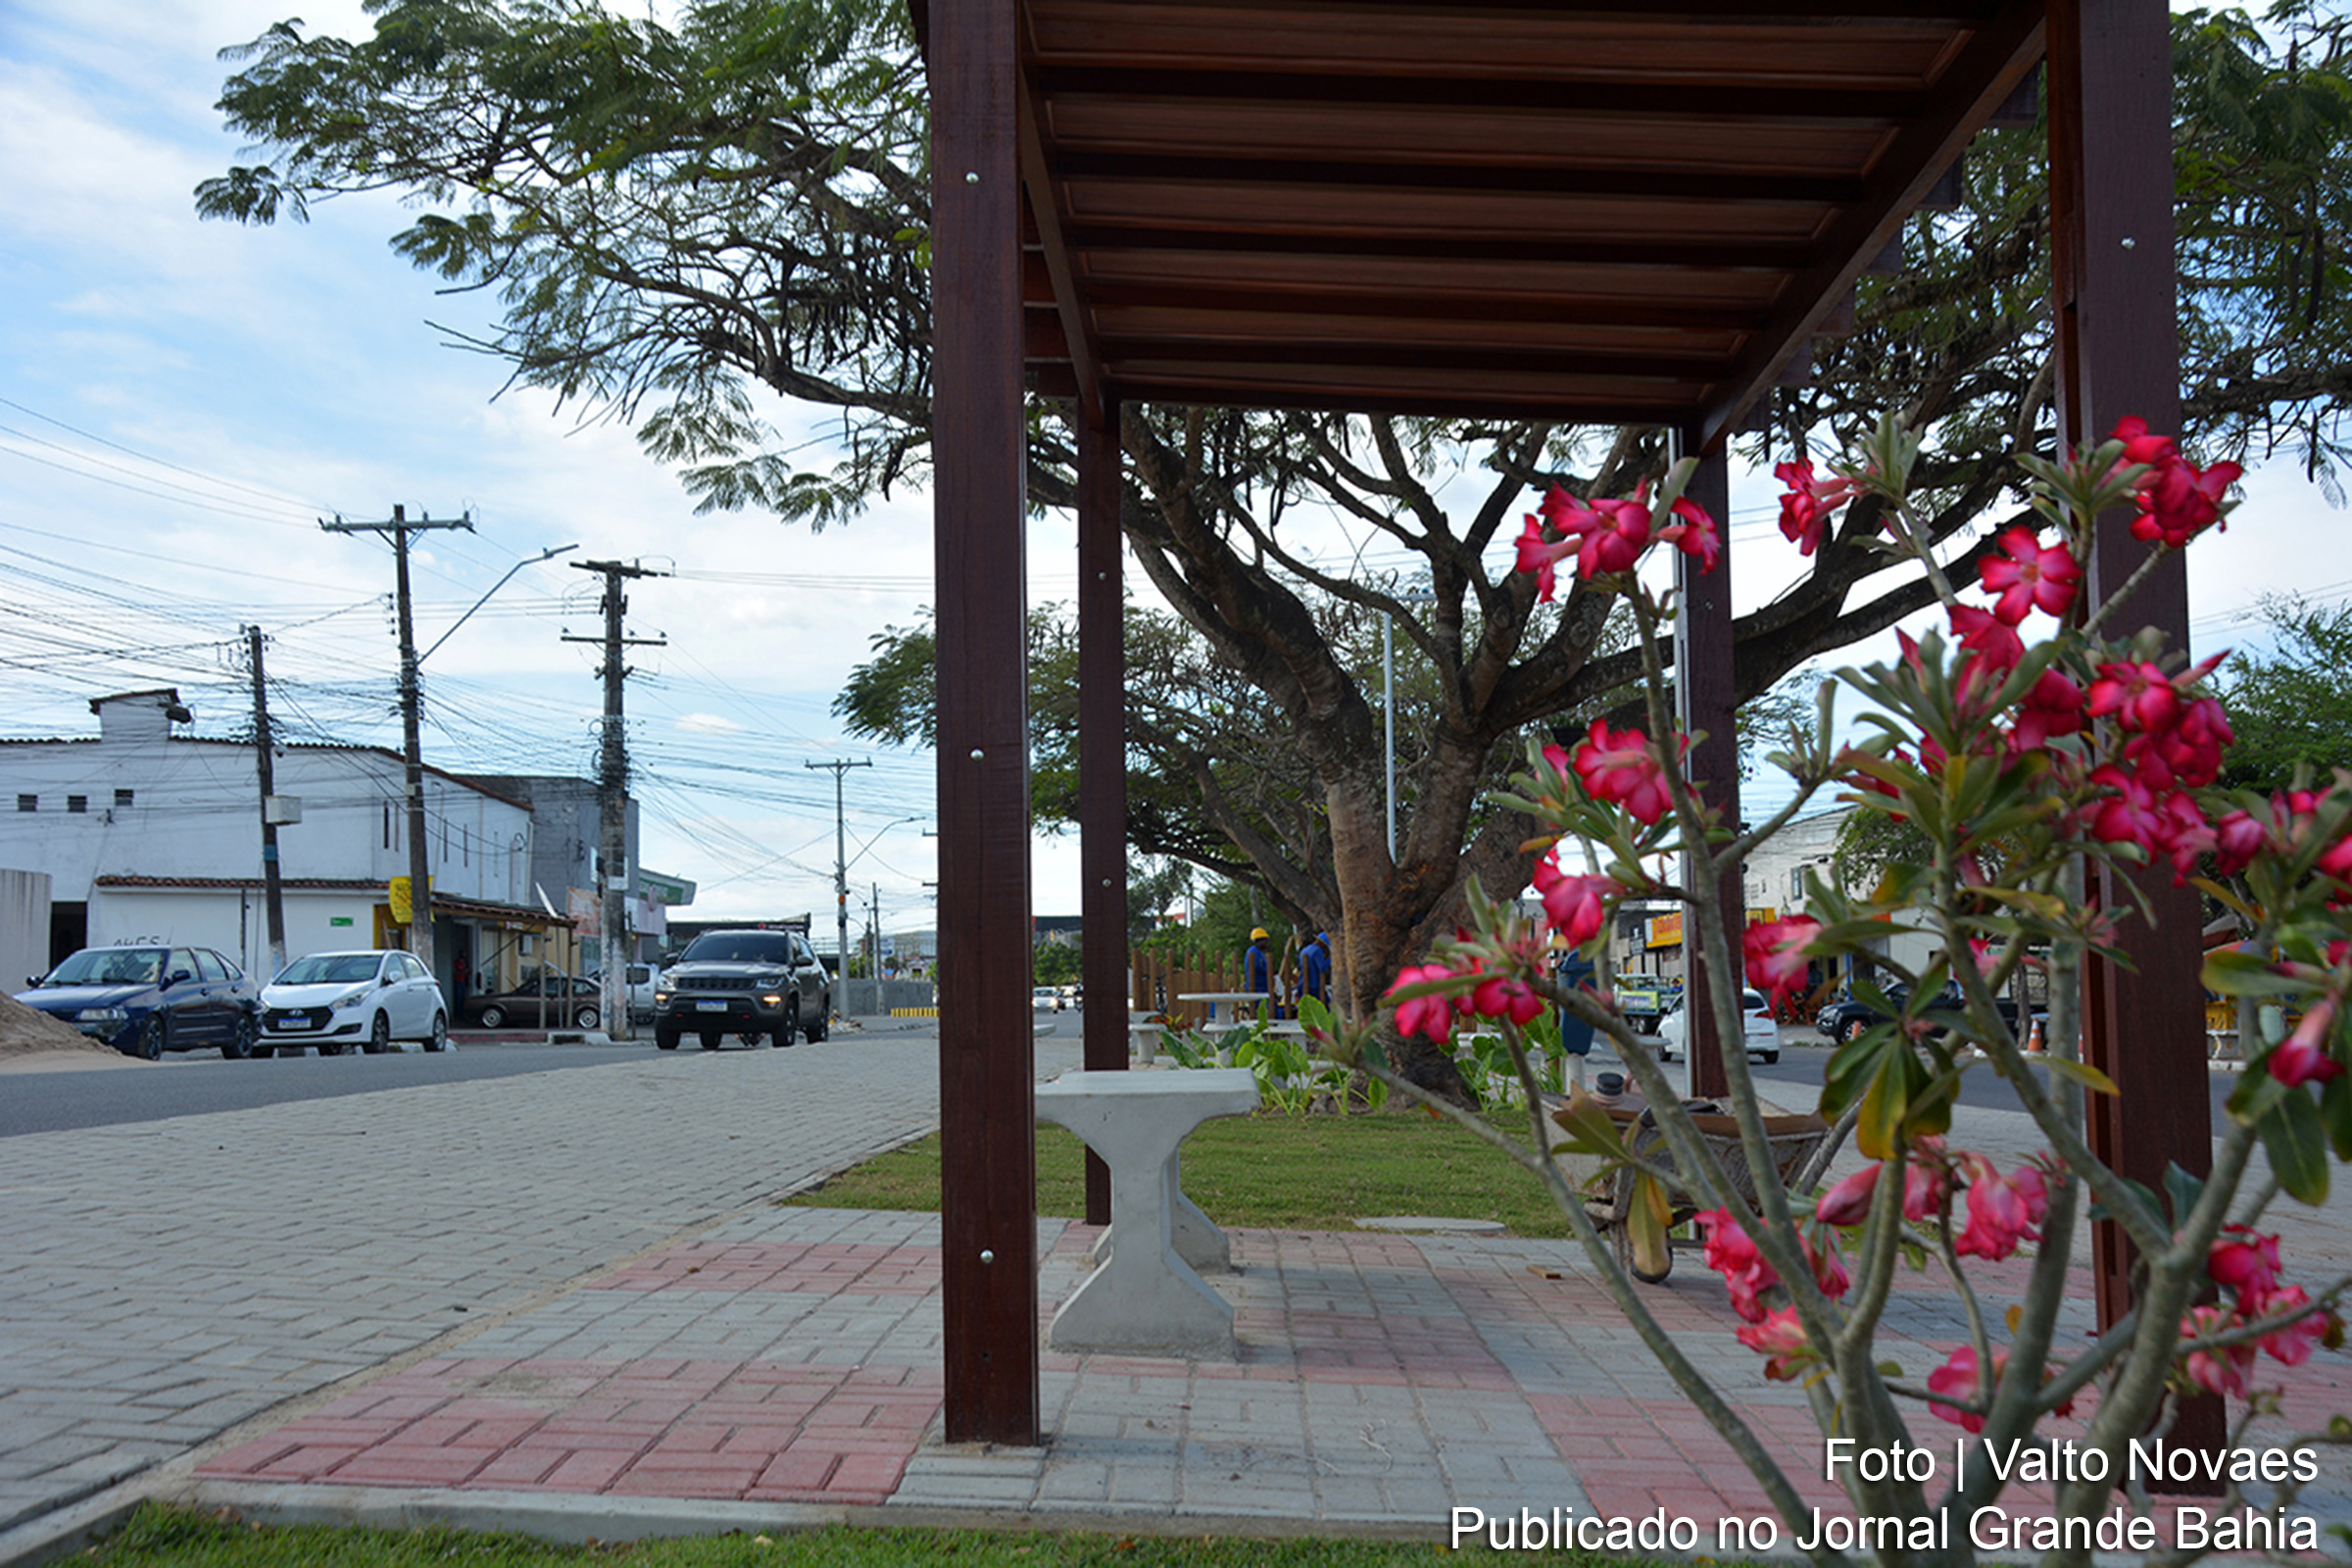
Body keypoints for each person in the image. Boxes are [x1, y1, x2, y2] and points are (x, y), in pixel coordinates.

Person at [1298, 931, 1333, 1008]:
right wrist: (1331, 958)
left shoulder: (1306, 949)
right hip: (1314, 985)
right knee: (1326, 1008)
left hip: (1302, 983)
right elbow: (1322, 968)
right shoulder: (1317, 950)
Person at [1243, 926, 1276, 1002]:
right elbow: (1258, 967)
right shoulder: (1253, 952)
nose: (1267, 943)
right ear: (1259, 941)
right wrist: (1270, 971)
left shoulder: (1259, 953)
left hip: (1263, 987)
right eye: (1265, 941)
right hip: (1257, 988)